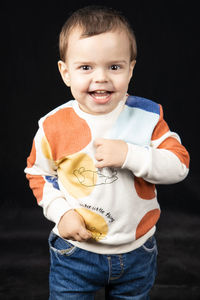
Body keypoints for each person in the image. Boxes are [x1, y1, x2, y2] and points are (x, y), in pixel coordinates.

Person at [24, 5, 190, 300]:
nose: (101, 78)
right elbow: (38, 174)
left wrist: (130, 154)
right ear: (65, 72)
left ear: (130, 68)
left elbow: (179, 165)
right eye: (86, 67)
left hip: (137, 250)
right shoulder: (53, 125)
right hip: (75, 253)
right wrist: (61, 213)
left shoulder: (148, 117)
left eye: (114, 67)